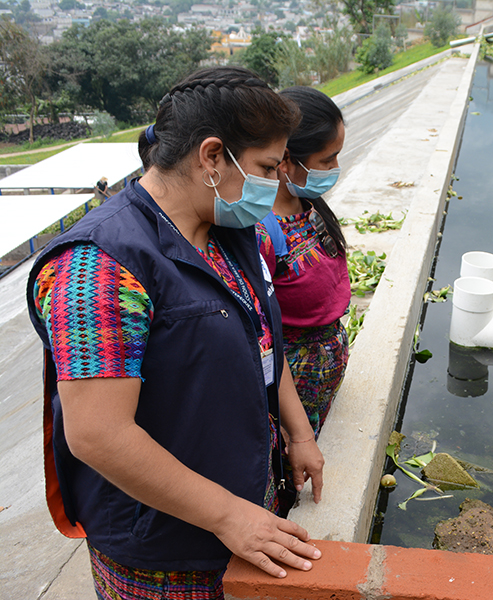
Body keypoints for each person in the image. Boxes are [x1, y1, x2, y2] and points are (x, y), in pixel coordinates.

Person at [26, 66, 324, 600]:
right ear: (212, 157)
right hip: (164, 551)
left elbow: (260, 338)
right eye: (265, 167)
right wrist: (228, 514)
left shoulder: (226, 230)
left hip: (241, 512)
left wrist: (298, 433)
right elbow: (98, 434)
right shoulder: (99, 268)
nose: (274, 184)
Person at [257, 86, 351, 440]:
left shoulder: (310, 207)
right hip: (292, 393)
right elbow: (260, 334)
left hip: (324, 375)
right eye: (327, 160)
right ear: (285, 161)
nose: (335, 168)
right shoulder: (262, 233)